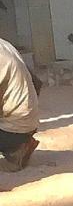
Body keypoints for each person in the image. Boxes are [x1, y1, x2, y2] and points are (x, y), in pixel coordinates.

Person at [0, 37, 41, 173]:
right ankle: (20, 144)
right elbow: (36, 83)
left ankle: (17, 146)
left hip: (13, 129)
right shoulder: (4, 45)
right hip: (28, 124)